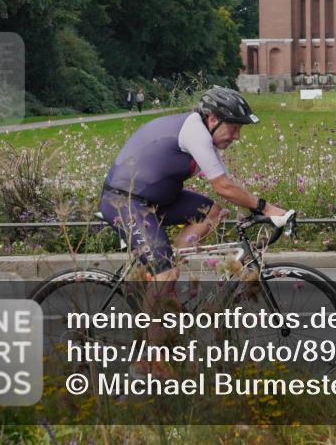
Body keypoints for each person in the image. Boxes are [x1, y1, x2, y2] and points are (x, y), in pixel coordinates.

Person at [99, 87, 287, 373]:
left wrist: (253, 206)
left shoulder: (204, 135)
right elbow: (222, 186)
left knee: (210, 213)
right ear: (212, 119)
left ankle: (163, 280)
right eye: (234, 128)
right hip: (126, 201)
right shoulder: (196, 133)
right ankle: (147, 359)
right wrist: (266, 208)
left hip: (155, 198)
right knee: (166, 272)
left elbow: (226, 186)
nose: (237, 136)